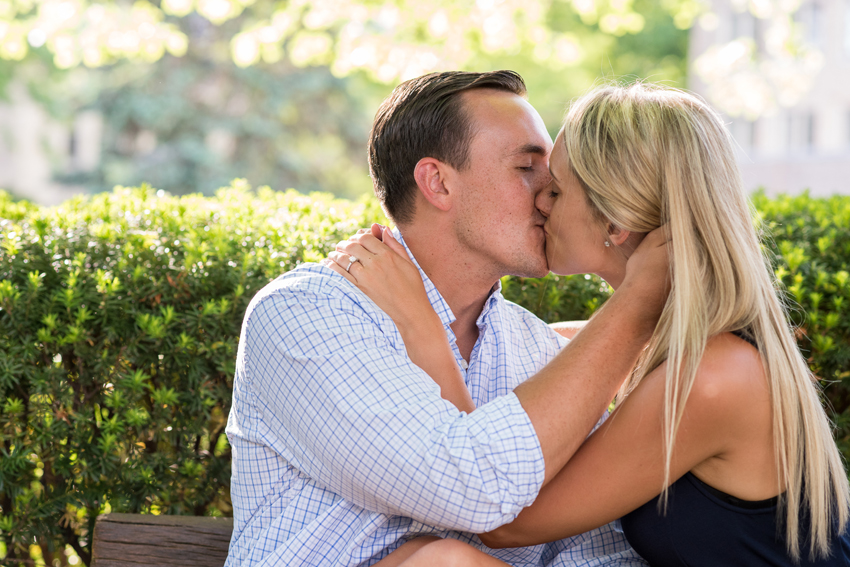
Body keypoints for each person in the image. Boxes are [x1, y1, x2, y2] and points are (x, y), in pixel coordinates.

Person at [326, 83, 850, 566]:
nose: (540, 203)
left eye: (555, 188)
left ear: (616, 222)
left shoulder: (712, 379)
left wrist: (423, 327)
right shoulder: (687, 348)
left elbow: (499, 518)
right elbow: (581, 351)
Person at [224, 70, 669, 566]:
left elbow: (602, 552)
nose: (550, 194)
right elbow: (468, 486)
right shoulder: (307, 316)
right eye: (527, 168)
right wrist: (638, 299)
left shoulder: (540, 353)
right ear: (437, 182)